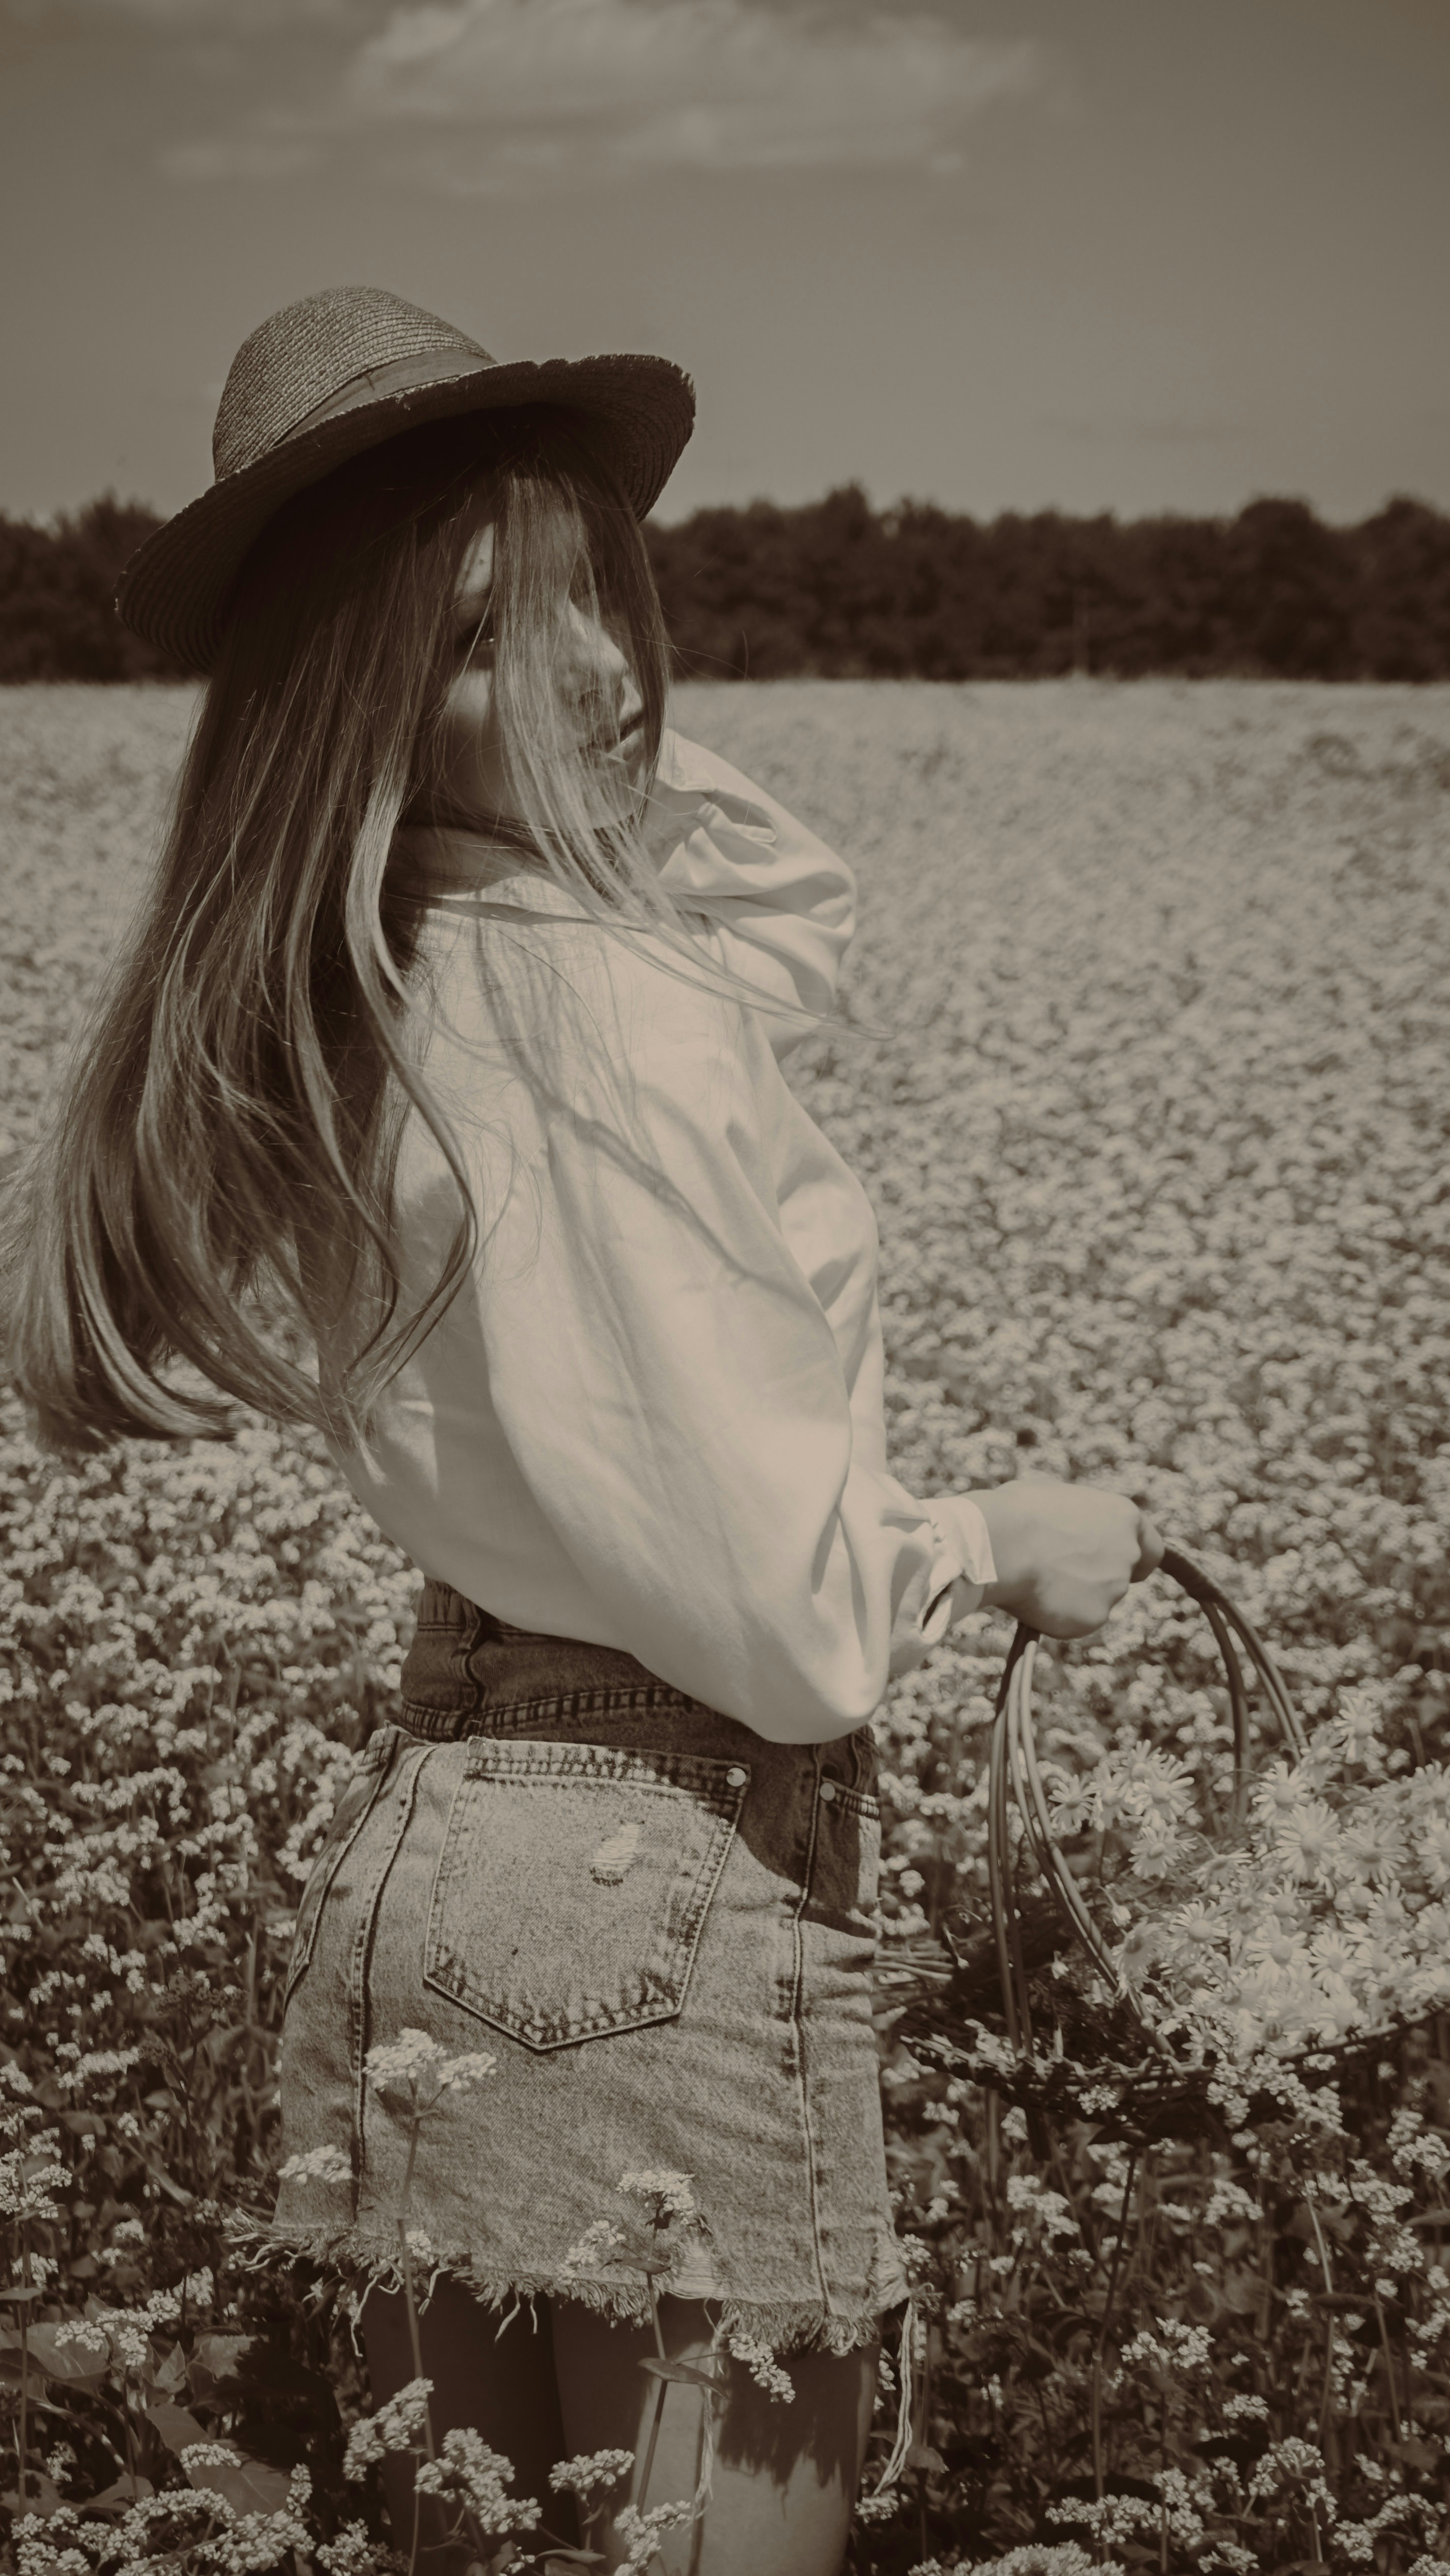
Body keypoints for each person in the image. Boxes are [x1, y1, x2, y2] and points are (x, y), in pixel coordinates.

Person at [2, 287, 1162, 2576]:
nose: (605, 681)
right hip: (665, 1890)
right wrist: (998, 1538)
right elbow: (796, 1629)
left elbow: (770, 920)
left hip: (433, 1883)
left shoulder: (390, 995)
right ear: (361, 708)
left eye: (600, 605)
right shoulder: (596, 1025)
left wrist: (523, 703)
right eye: (477, 641)